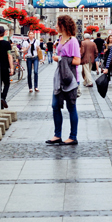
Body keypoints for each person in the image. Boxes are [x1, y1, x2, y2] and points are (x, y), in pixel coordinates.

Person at [46, 15, 80, 145]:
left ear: (64, 25)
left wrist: (60, 59)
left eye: (57, 24)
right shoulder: (60, 39)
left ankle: (73, 136)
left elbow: (77, 60)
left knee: (71, 107)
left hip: (70, 78)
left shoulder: (73, 41)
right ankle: (57, 135)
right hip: (59, 78)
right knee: (55, 105)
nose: (55, 26)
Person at [0, 26, 14, 106]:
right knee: (7, 83)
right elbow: (9, 56)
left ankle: (0, 100)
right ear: (4, 33)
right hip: (5, 67)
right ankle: (3, 98)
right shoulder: (7, 43)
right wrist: (11, 68)